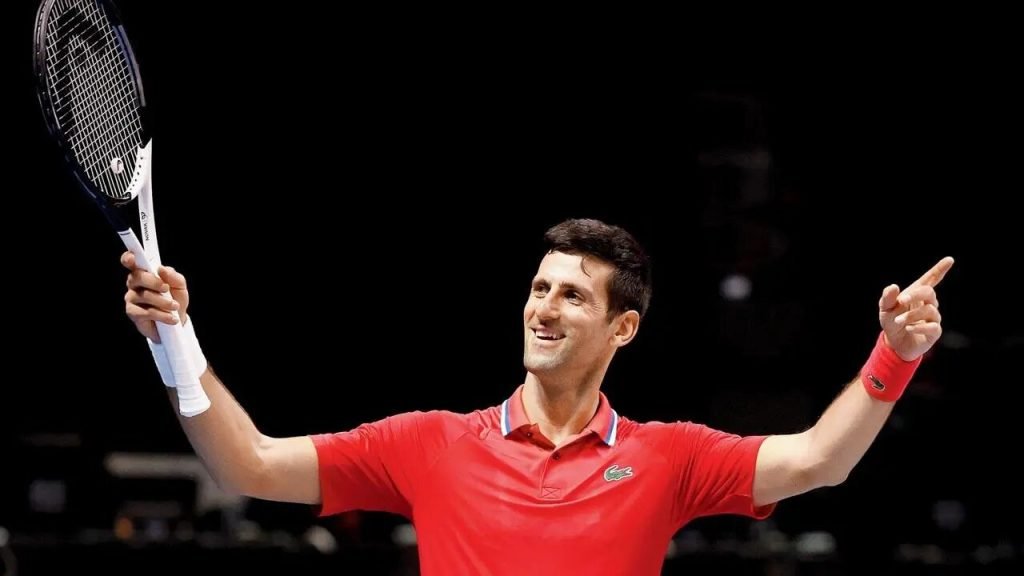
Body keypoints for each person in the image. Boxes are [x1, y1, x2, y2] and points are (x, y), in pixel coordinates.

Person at [121, 218, 953, 575]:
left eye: (572, 296)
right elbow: (248, 464)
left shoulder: (668, 458)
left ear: (623, 328)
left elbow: (820, 460)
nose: (543, 308)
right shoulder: (430, 444)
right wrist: (174, 341)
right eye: (538, 288)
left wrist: (895, 354)